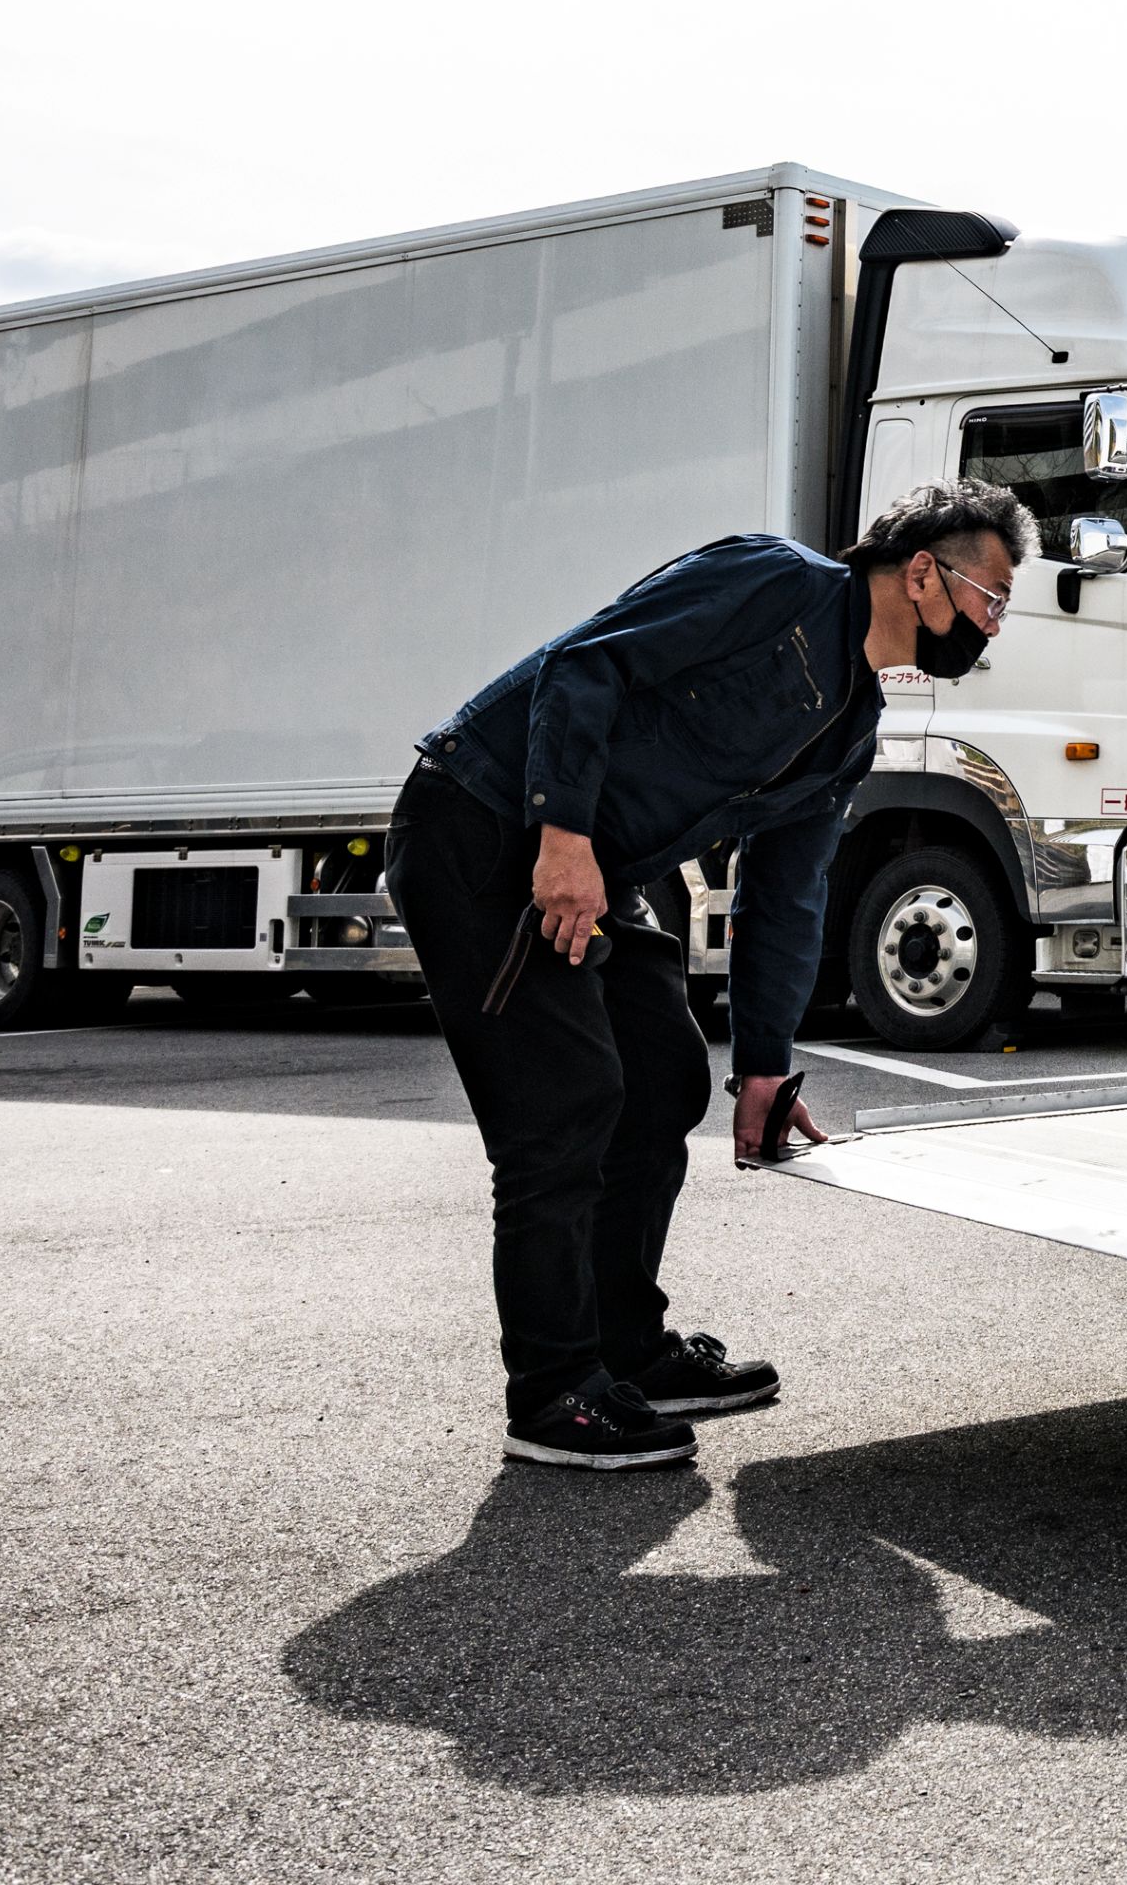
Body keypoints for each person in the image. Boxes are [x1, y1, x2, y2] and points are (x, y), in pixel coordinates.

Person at [387, 479, 1034, 1471]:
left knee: (662, 1079)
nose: (992, 623)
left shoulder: (851, 726)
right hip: (485, 819)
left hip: (601, 863)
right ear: (919, 571)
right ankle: (553, 1391)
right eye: (989, 596)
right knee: (562, 1103)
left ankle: (625, 1348)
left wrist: (766, 1065)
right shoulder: (776, 581)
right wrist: (560, 835)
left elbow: (786, 893)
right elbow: (584, 666)